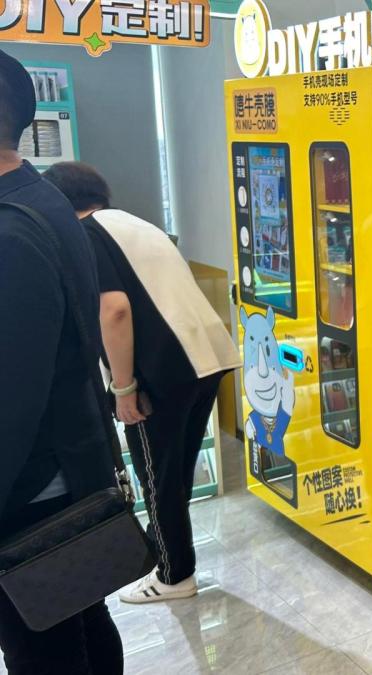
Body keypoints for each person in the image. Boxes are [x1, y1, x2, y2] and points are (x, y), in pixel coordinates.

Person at [43, 161, 241, 604]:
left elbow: (113, 310)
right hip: (204, 359)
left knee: (158, 479)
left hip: (160, 374)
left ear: (59, 201)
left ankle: (174, 575)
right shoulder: (136, 223)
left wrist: (124, 388)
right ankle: (166, 556)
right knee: (173, 475)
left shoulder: (86, 234)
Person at [0, 50, 125, 673]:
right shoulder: (42, 197)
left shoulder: (11, 231)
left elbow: (10, 401)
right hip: (67, 467)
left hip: (30, 492)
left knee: (44, 650)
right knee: (83, 623)